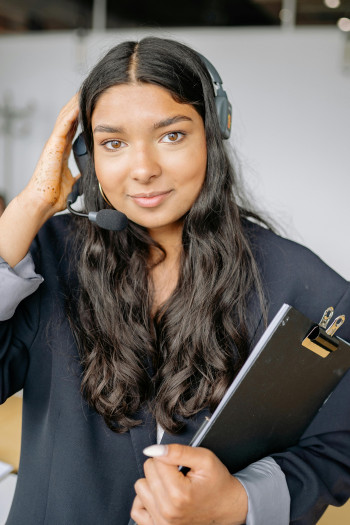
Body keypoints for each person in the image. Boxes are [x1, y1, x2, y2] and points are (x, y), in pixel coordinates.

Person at [0, 36, 349, 525]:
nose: (143, 169)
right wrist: (32, 205)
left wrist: (238, 502)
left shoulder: (307, 285)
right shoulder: (49, 256)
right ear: (86, 156)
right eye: (113, 143)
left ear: (212, 133)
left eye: (171, 135)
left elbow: (337, 443)